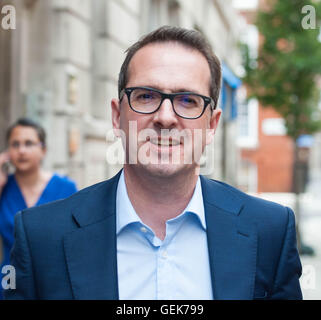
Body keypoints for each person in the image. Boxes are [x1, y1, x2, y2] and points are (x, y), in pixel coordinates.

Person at [4, 27, 302, 300]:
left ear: (212, 124)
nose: (165, 117)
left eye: (188, 100)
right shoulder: (41, 237)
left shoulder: (270, 232)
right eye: (146, 96)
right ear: (117, 116)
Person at [0, 118, 77, 299]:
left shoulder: (65, 188)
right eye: (15, 144)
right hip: (10, 280)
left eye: (29, 143)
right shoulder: (4, 188)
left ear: (43, 150)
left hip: (54, 282)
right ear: (8, 152)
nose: (21, 150)